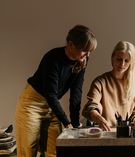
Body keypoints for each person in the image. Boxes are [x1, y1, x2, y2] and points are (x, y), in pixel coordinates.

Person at [15, 24, 97, 157]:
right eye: (84, 50)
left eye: (90, 51)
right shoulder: (52, 58)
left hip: (52, 105)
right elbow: (51, 94)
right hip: (32, 103)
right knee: (28, 150)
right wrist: (66, 122)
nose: (87, 55)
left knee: (56, 149)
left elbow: (76, 93)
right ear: (71, 44)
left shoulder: (82, 60)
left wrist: (75, 124)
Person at [82, 41, 135, 131]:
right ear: (113, 58)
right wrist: (98, 118)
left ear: (131, 62)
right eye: (119, 59)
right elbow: (91, 106)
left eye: (126, 61)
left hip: (127, 135)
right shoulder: (100, 82)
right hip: (105, 132)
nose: (122, 64)